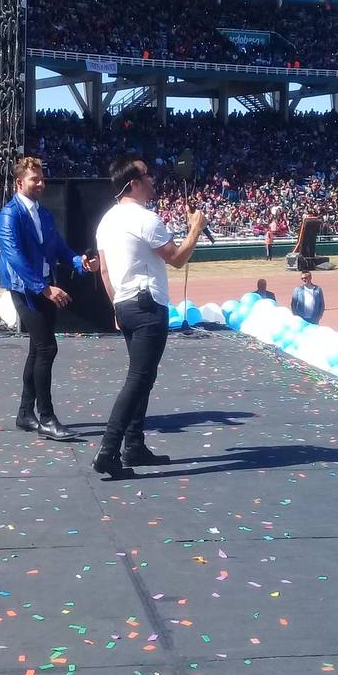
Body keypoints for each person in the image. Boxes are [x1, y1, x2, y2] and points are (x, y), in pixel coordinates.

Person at [94, 154, 207, 479]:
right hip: (147, 305)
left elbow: (105, 271)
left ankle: (134, 445)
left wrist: (116, 305)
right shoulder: (146, 219)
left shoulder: (107, 221)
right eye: (147, 175)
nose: (153, 179)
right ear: (134, 183)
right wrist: (195, 229)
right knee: (139, 378)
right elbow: (178, 258)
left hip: (126, 304)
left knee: (142, 375)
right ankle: (109, 450)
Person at [0, 156, 99, 441]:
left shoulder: (43, 214)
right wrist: (44, 288)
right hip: (25, 289)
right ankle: (47, 417)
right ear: (19, 183)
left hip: (43, 287)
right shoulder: (9, 215)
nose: (41, 183)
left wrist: (80, 263)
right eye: (35, 179)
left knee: (37, 349)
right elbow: (14, 257)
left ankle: (25, 414)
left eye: (42, 179)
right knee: (46, 348)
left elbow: (59, 250)